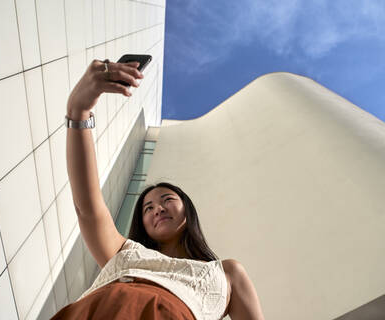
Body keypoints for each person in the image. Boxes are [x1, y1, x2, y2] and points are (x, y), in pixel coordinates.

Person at [51, 59, 265, 319]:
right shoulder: (124, 251)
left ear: (187, 209)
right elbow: (87, 207)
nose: (157, 209)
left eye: (166, 200)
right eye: (147, 208)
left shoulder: (227, 273)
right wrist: (78, 111)